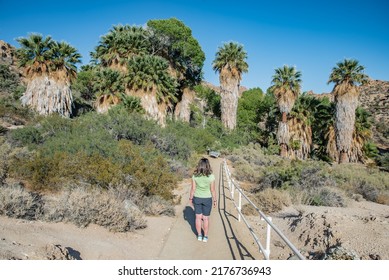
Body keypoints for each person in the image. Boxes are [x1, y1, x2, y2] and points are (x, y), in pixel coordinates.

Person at [189, 157, 217, 242]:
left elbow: (193, 189)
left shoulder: (195, 175)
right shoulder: (211, 176)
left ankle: (199, 236)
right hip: (207, 199)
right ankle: (205, 237)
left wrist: (190, 198)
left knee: (198, 217)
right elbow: (212, 190)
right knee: (205, 218)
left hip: (197, 198)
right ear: (208, 165)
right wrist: (215, 200)